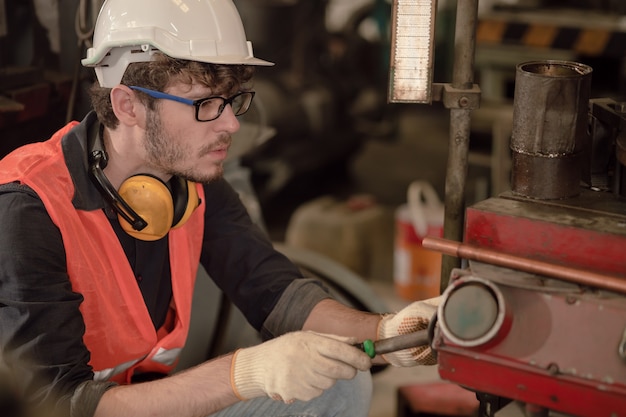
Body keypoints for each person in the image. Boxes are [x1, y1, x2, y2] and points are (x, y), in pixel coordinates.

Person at [0, 0, 440, 416]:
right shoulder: (30, 207)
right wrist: (245, 373)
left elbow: (274, 290)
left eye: (231, 102)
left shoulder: (186, 184)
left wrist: (390, 331)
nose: (231, 124)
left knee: (339, 382)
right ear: (128, 104)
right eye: (205, 105)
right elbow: (60, 404)